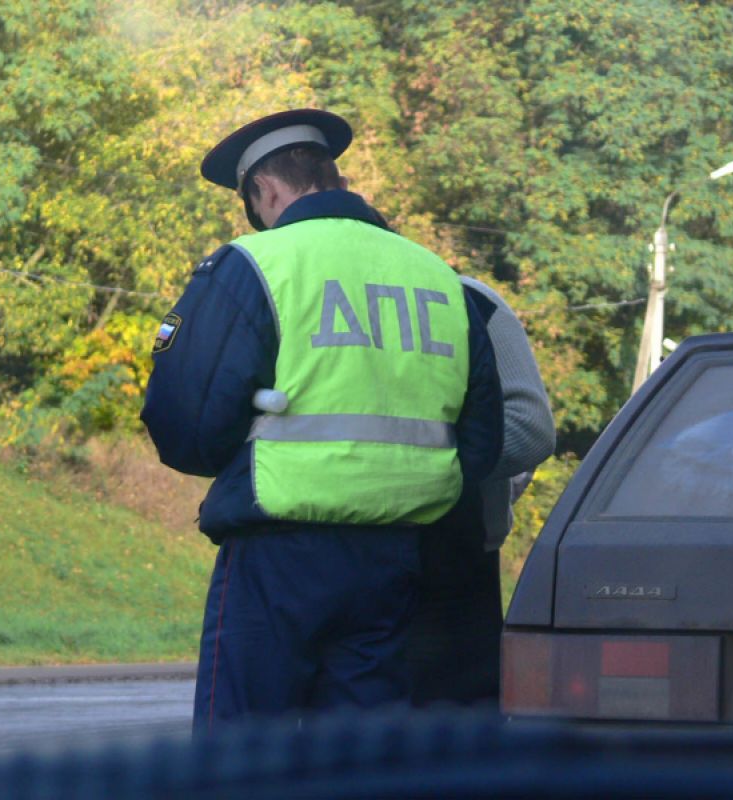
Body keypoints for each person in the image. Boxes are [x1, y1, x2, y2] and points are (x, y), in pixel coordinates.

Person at [140, 109, 503, 731]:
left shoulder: (255, 264)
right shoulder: (438, 277)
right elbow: (482, 436)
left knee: (245, 755)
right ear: (336, 179)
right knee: (360, 759)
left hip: (278, 558)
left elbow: (185, 418)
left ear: (264, 191)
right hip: (397, 559)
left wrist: (242, 451)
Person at [407, 276, 555, 706]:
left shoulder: (468, 297)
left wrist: (416, 473)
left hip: (452, 561)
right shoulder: (306, 294)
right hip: (338, 553)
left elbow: (529, 429)